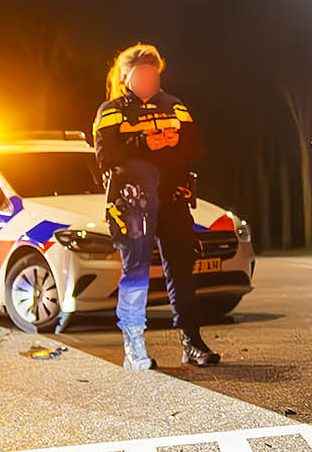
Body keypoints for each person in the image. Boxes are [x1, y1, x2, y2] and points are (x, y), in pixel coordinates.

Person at [93, 43, 220, 369]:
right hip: (132, 204)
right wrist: (143, 143)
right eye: (142, 74)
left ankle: (192, 342)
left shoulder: (175, 106)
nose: (149, 80)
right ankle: (134, 347)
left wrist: (177, 143)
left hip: (173, 200)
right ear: (127, 77)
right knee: (135, 273)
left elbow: (196, 147)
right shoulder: (112, 110)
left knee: (182, 272)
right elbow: (106, 157)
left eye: (153, 74)